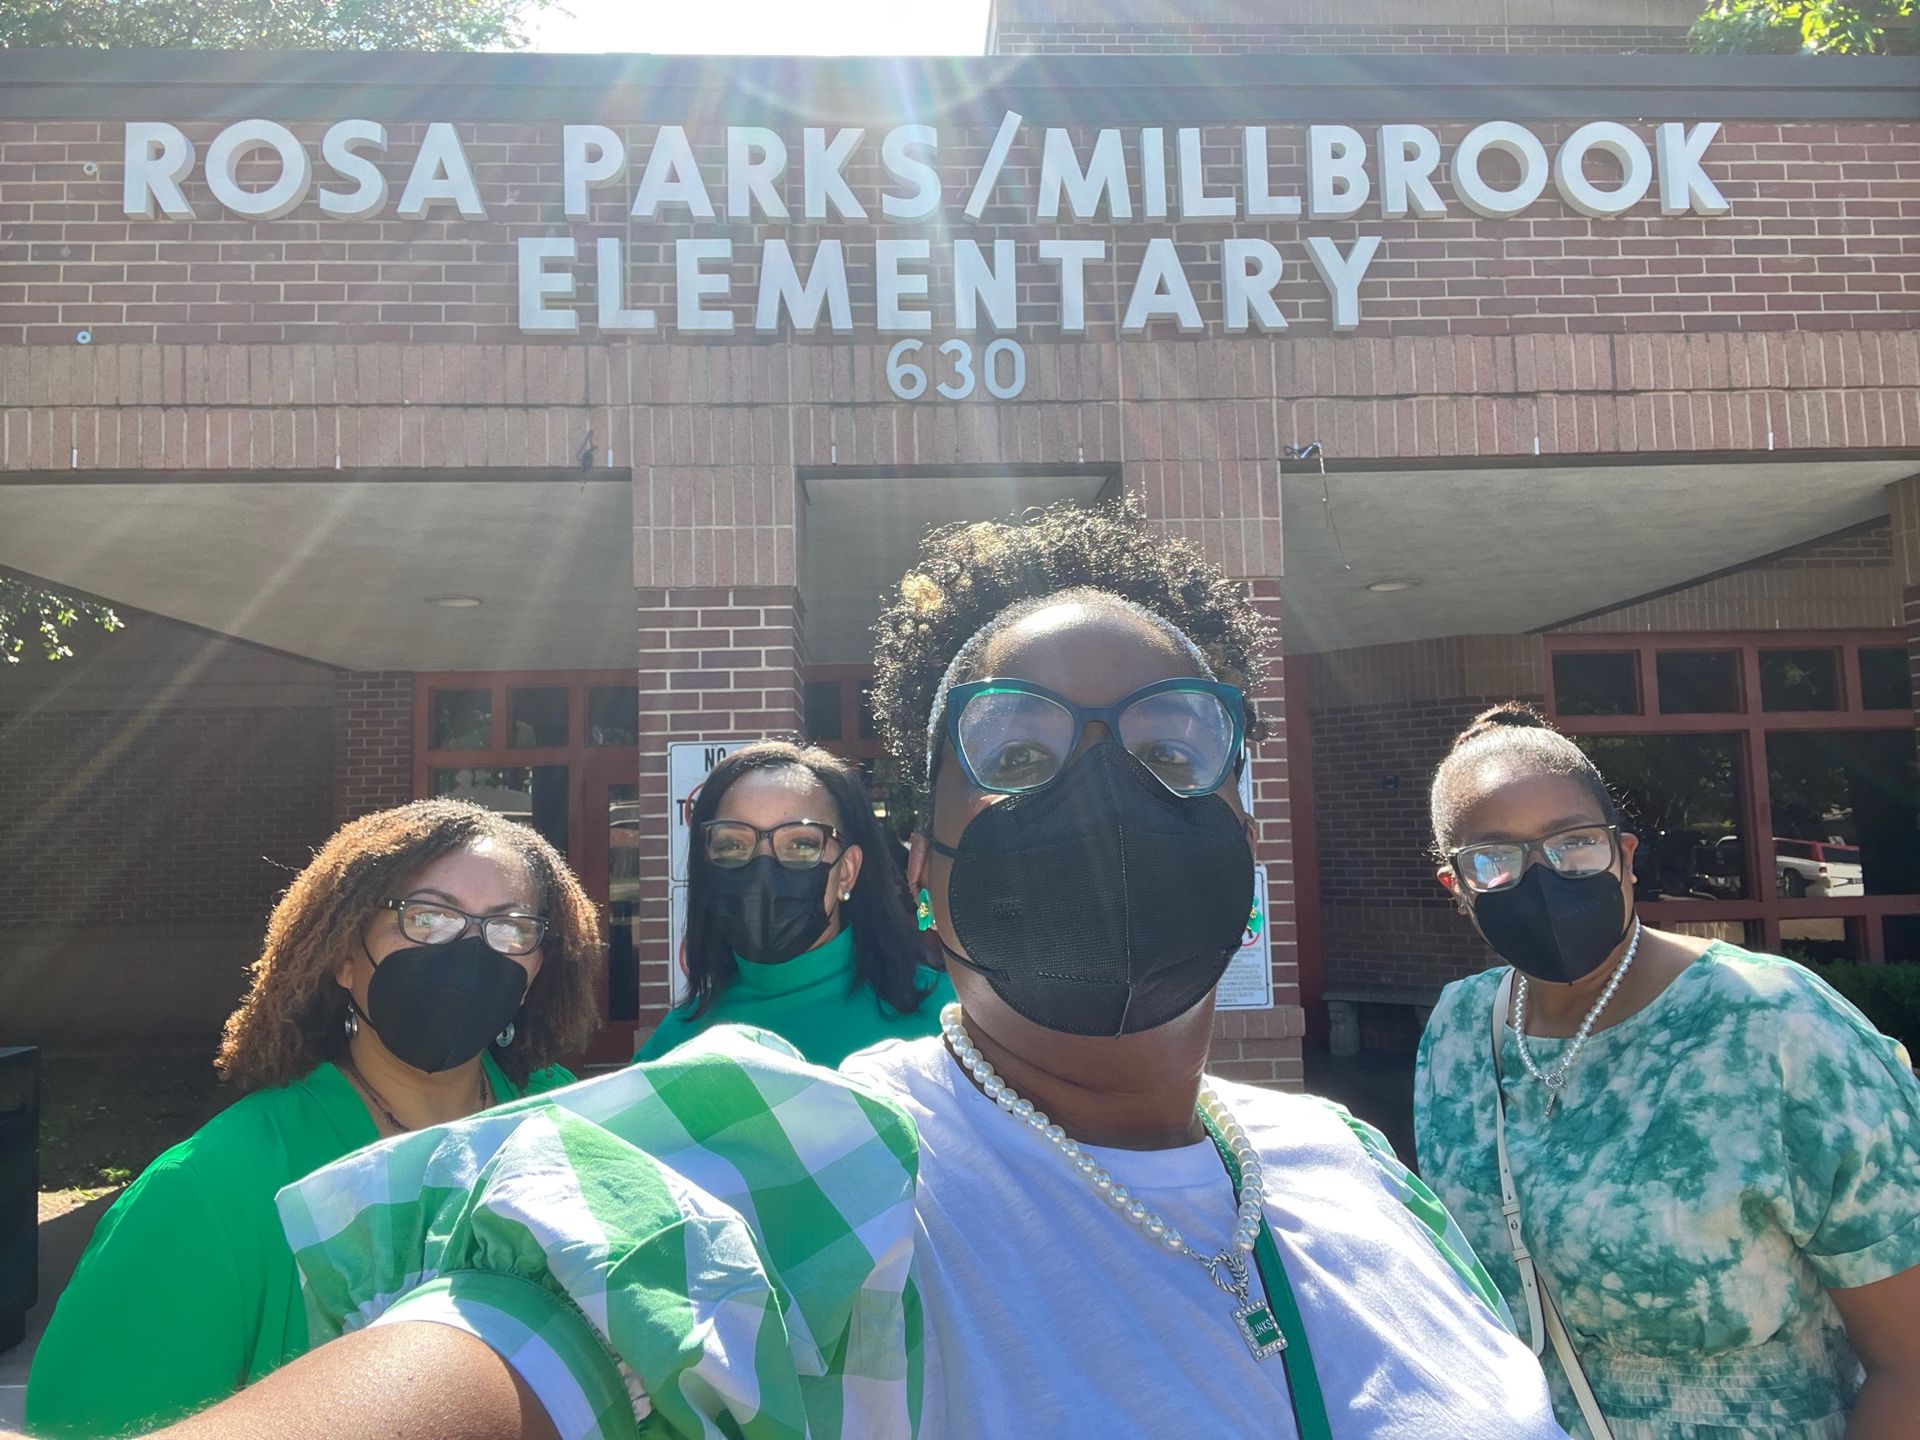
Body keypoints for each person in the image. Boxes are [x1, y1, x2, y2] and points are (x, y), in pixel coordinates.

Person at [126, 500, 1564, 1440]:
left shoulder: (1352, 1167)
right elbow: (551, 1321)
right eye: (1015, 755)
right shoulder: (803, 1160)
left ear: (1246, 835)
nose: (1102, 791)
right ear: (925, 867)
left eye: (1173, 747)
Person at [1415, 704, 1920, 1440]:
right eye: (1494, 858)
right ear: (1456, 885)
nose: (1547, 875)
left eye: (1574, 844)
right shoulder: (1458, 1032)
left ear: (1624, 853)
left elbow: (1908, 1363)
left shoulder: (1776, 1025)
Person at [25, 800, 601, 1439]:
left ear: (536, 967)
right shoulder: (209, 1190)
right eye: (427, 919)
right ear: (342, 956)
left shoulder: (564, 1121)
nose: (468, 953)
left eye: (509, 927)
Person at [637, 740, 952, 1067]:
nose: (763, 871)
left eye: (800, 845)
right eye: (732, 843)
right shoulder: (674, 1045)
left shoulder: (948, 1024)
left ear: (846, 871)